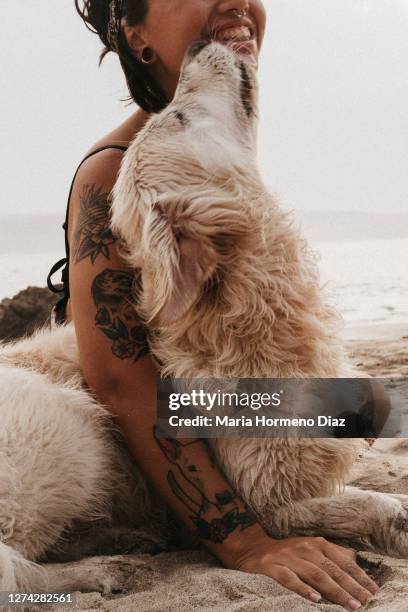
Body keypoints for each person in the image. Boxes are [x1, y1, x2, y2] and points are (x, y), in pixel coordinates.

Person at [47, 2, 379, 610]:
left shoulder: (209, 133)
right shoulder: (120, 171)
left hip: (210, 405)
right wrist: (246, 544)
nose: (236, 2)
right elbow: (120, 381)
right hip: (162, 438)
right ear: (136, 34)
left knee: (374, 408)